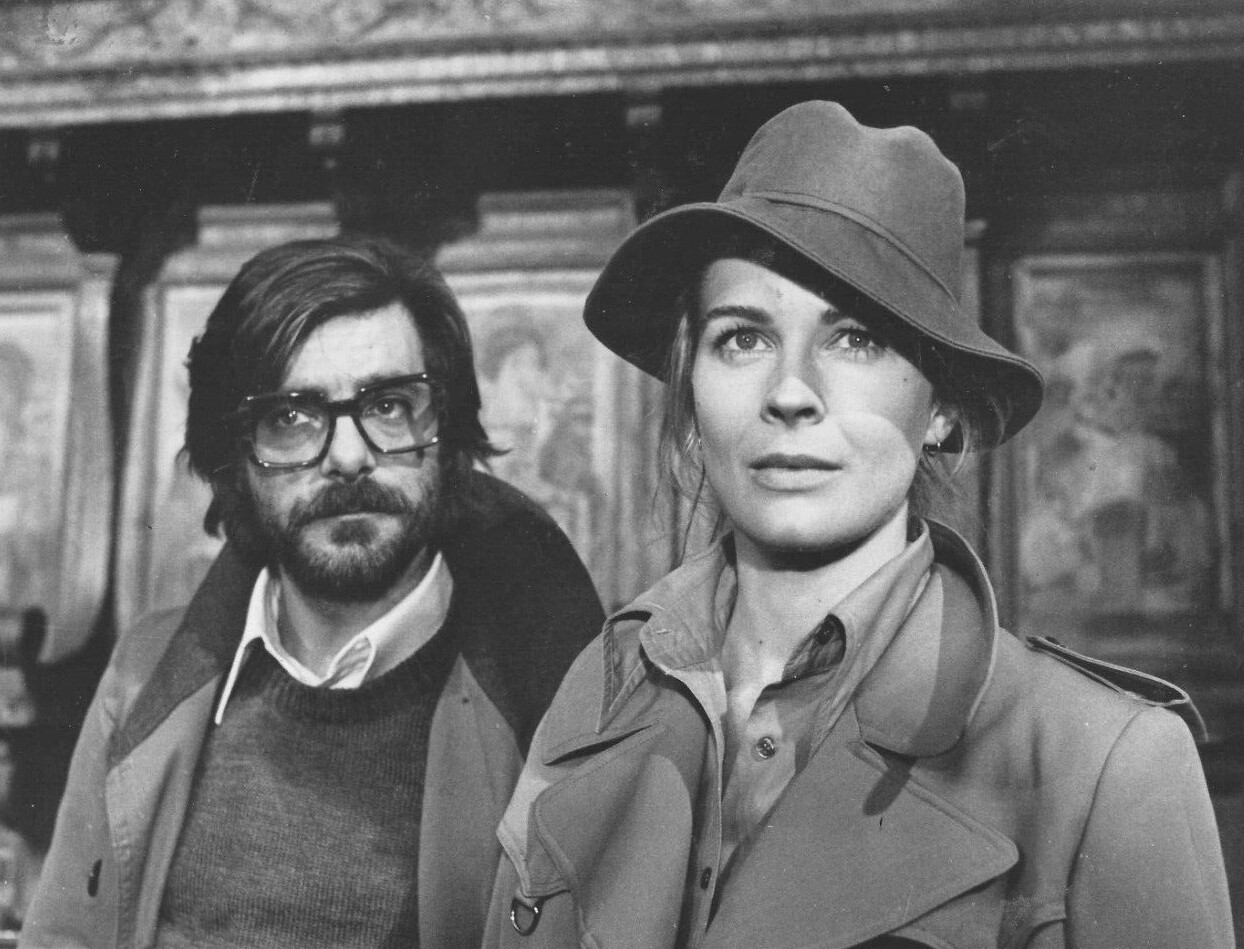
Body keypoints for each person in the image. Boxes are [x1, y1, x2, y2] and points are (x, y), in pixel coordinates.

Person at [485, 102, 1233, 948]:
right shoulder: (601, 692)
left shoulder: (1098, 764)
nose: (789, 392)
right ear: (691, 394)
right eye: (742, 339)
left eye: (856, 339)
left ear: (942, 408)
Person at [22, 236, 604, 949]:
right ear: (234, 456)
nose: (349, 456)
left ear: (445, 430)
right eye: (293, 418)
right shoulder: (145, 673)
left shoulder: (546, 707)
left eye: (389, 405)